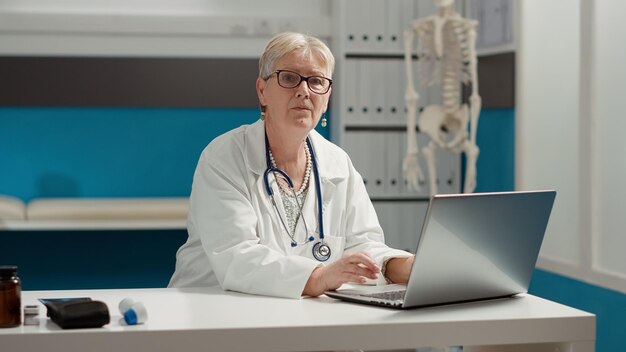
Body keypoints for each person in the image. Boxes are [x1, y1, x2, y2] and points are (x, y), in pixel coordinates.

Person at [169, 32, 414, 299]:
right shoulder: (225, 156)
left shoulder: (337, 163)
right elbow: (236, 257)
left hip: (300, 315)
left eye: (317, 81)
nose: (304, 91)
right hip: (214, 315)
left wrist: (404, 267)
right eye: (289, 78)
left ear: (327, 97)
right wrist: (319, 277)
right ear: (262, 91)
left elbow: (363, 246)